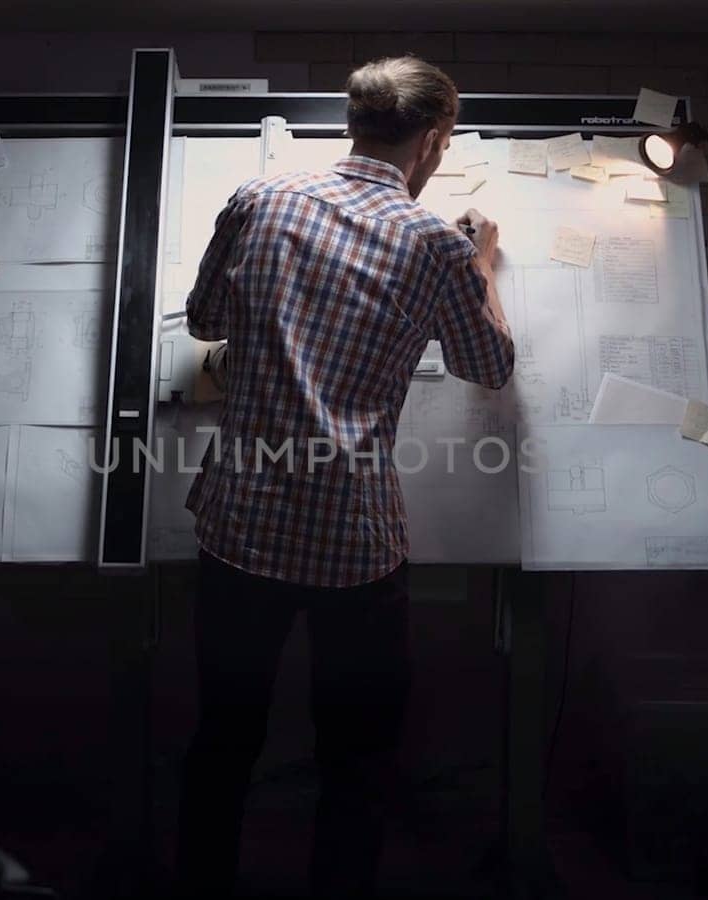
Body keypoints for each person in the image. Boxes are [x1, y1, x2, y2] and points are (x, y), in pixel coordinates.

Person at [176, 56, 515, 899]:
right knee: (358, 759)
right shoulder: (437, 245)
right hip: (353, 546)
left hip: (240, 524)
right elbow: (491, 365)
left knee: (223, 736)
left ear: (355, 122)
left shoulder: (261, 200)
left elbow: (206, 318)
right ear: (432, 141)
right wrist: (482, 265)